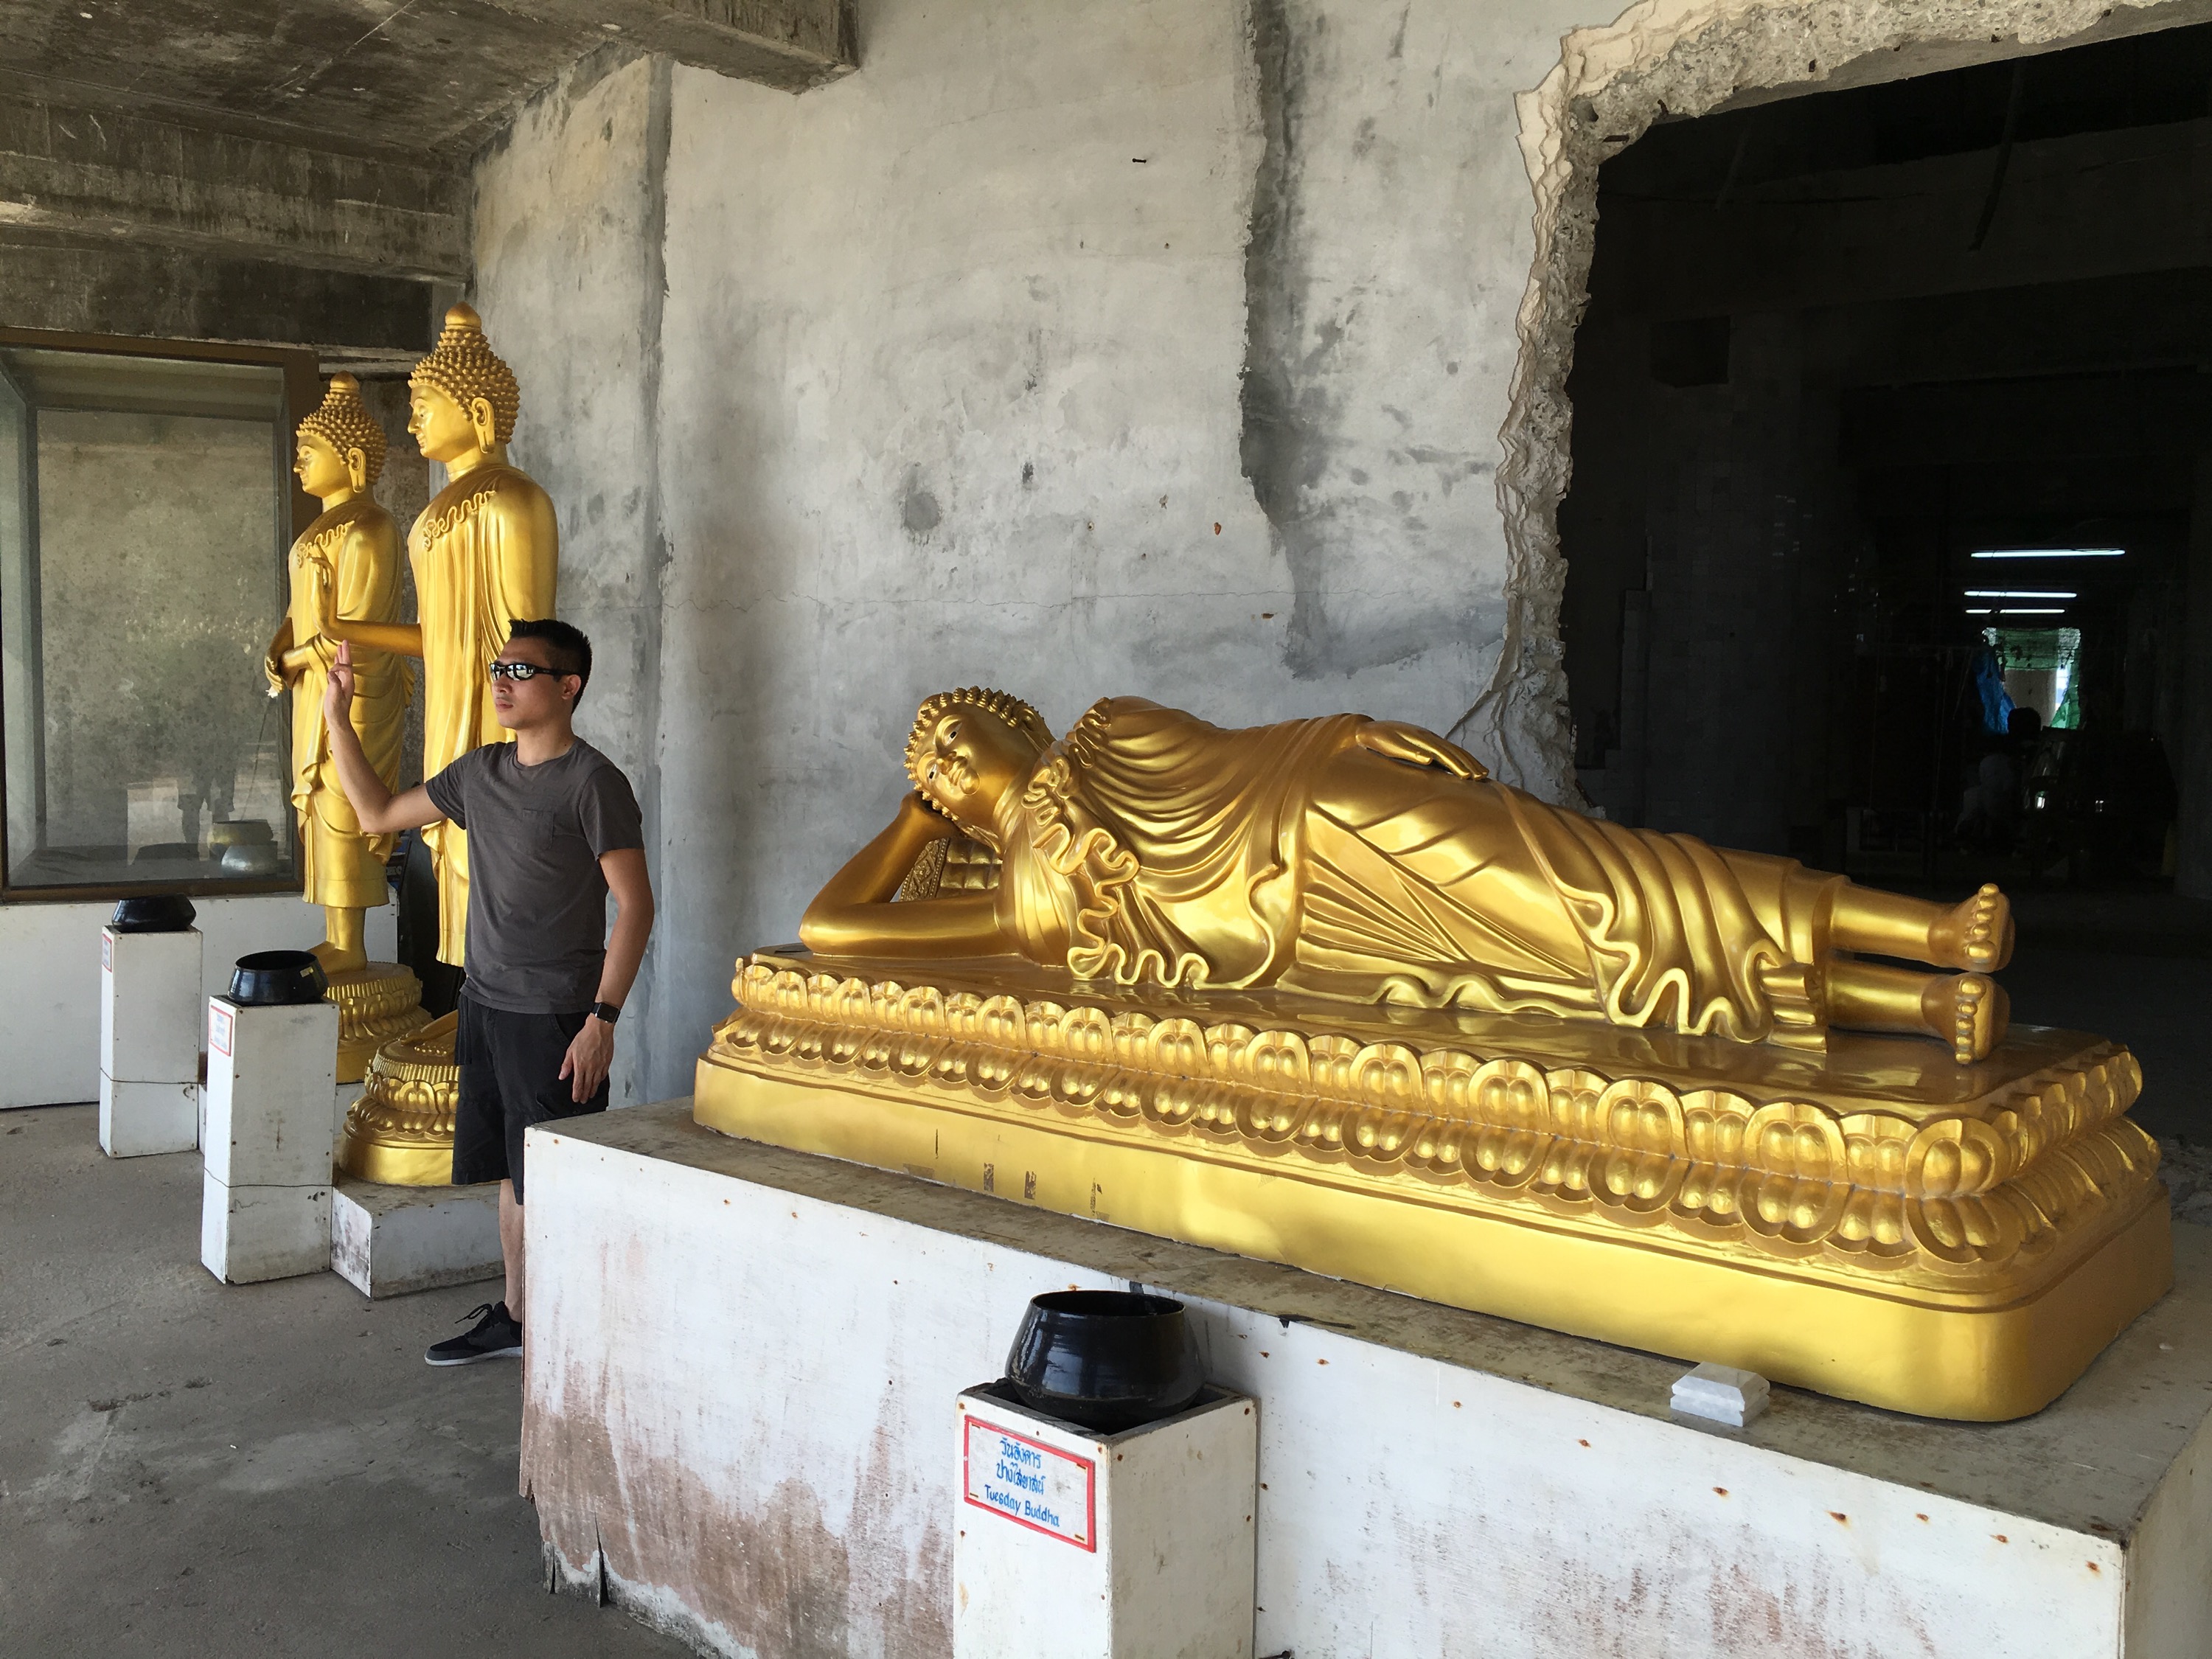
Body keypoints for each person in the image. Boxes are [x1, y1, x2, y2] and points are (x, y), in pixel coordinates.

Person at [321, 619, 654, 1366]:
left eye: (522, 671)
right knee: (512, 1173)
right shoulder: (480, 773)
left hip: (556, 1017)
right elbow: (378, 815)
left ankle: (571, 1340)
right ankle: (518, 1317)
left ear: (567, 688)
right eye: (499, 668)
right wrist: (337, 717)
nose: (502, 681)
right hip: (485, 1005)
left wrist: (602, 1020)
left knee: (554, 1179)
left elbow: (636, 906)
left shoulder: (593, 783)